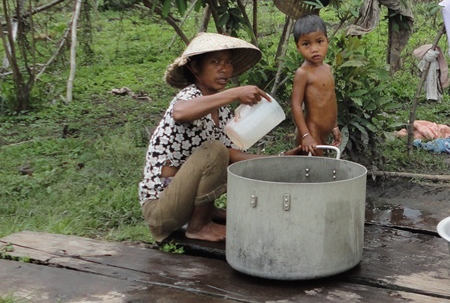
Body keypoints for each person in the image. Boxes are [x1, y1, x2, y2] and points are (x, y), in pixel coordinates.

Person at [138, 32, 299, 243]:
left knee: (227, 161)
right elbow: (180, 112)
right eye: (215, 62)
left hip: (182, 202)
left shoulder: (221, 111)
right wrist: (234, 93)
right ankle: (198, 226)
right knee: (215, 151)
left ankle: (207, 213)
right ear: (195, 68)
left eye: (228, 62)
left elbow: (232, 155)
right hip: (161, 207)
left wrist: (280, 159)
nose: (224, 69)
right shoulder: (190, 96)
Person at [291, 15, 344, 155]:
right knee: (313, 169)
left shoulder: (328, 69)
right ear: (298, 47)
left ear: (327, 41)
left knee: (319, 169)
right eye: (306, 44)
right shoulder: (303, 73)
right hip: (311, 130)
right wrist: (305, 135)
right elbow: (296, 105)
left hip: (325, 130)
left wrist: (335, 127)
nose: (314, 49)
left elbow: (330, 99)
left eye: (319, 41)